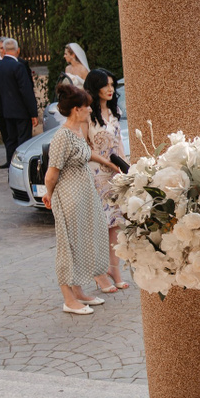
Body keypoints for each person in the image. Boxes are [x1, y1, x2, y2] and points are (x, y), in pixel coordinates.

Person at [42, 83, 116, 314]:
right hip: (69, 197)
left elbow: (85, 153)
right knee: (69, 247)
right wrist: (50, 195)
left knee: (83, 242)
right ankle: (68, 299)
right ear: (76, 109)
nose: (90, 110)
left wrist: (106, 162)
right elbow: (51, 173)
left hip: (83, 196)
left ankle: (79, 292)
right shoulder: (62, 136)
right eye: (87, 107)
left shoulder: (76, 132)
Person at [85, 68, 130, 293]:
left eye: (112, 84)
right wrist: (107, 163)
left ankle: (114, 270)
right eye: (105, 85)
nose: (110, 89)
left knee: (115, 225)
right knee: (100, 227)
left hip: (114, 174)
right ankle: (99, 272)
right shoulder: (87, 114)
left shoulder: (114, 112)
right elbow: (85, 147)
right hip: (95, 175)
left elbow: (119, 143)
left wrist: (125, 168)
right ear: (95, 87)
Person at [0, 37, 40, 170]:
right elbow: (26, 91)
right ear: (17, 50)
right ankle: (22, 168)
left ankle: (11, 166)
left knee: (10, 139)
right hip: (21, 111)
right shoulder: (18, 66)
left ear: (4, 50)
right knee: (23, 140)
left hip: (5, 110)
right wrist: (33, 113)